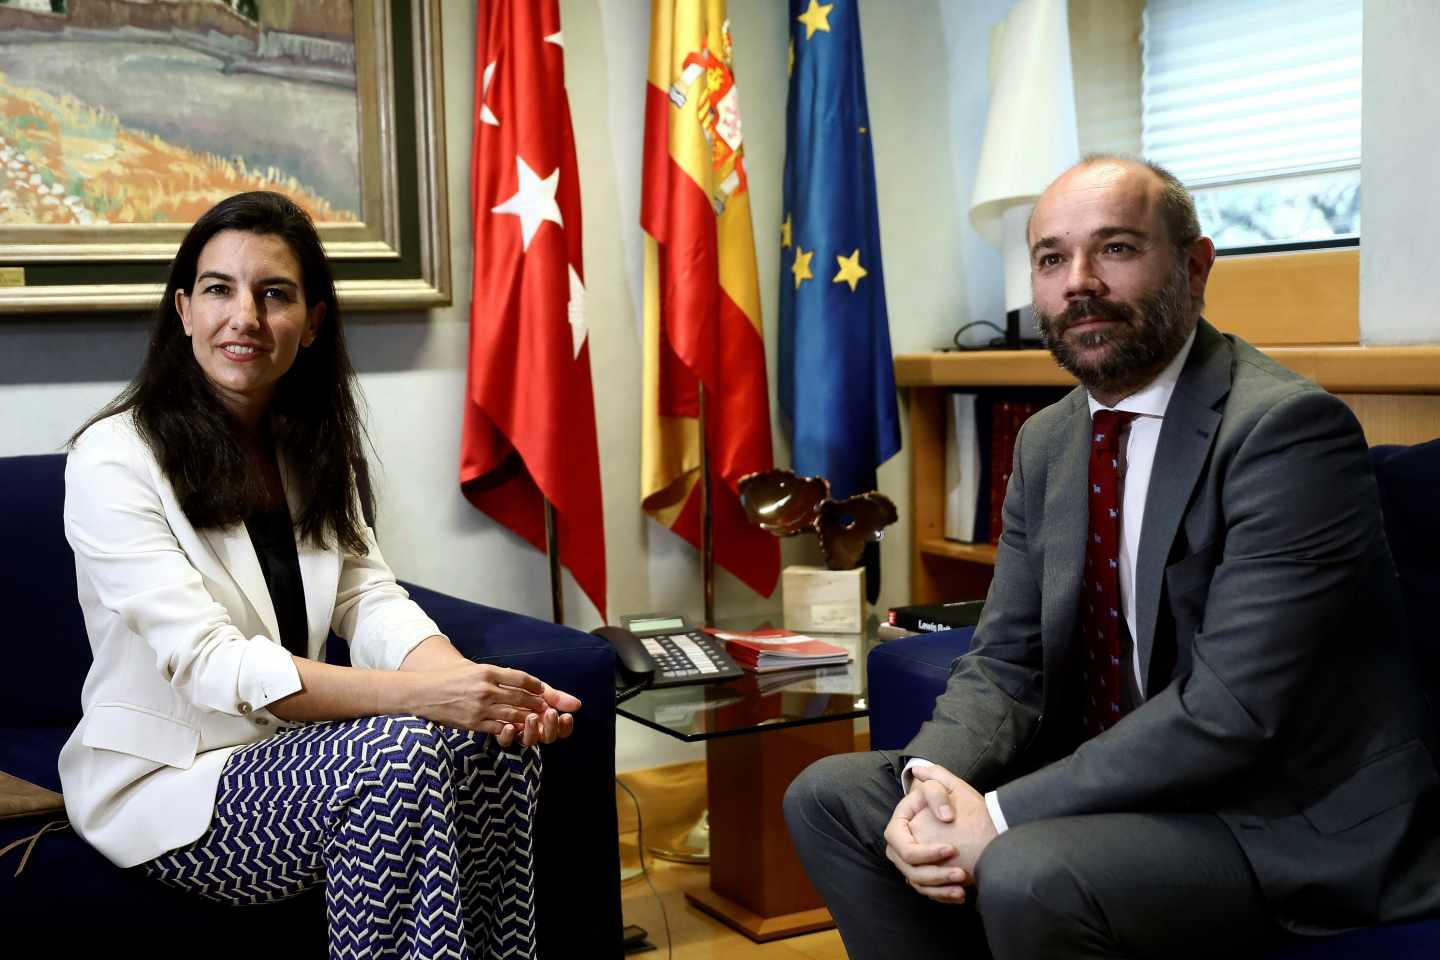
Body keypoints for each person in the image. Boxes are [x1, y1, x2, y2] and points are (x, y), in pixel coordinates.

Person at [784, 156, 1440, 958]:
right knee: (832, 795)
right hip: (1115, 779)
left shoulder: (1287, 432)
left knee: (1027, 866)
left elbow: (1229, 713)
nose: (1078, 282)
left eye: (1117, 249)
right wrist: (935, 782)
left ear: (1194, 267)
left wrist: (996, 816)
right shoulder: (1049, 439)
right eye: (1052, 258)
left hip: (1270, 812)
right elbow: (1006, 661)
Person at [59, 191, 579, 959]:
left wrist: (482, 695)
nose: (246, 317)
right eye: (218, 290)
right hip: (171, 787)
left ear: (313, 321)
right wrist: (429, 698)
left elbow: (369, 600)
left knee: (488, 748)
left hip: (284, 757)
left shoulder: (309, 447)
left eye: (274, 294)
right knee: (401, 753)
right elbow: (211, 664)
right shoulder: (114, 458)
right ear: (184, 310)